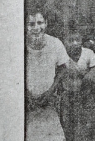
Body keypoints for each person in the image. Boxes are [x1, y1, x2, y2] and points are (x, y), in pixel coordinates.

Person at [26, 9, 69, 141]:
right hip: (26, 103)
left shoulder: (55, 43)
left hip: (48, 101)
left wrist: (51, 91)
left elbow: (63, 67)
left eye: (40, 23)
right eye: (31, 24)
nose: (36, 28)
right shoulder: (18, 45)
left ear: (46, 23)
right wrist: (25, 94)